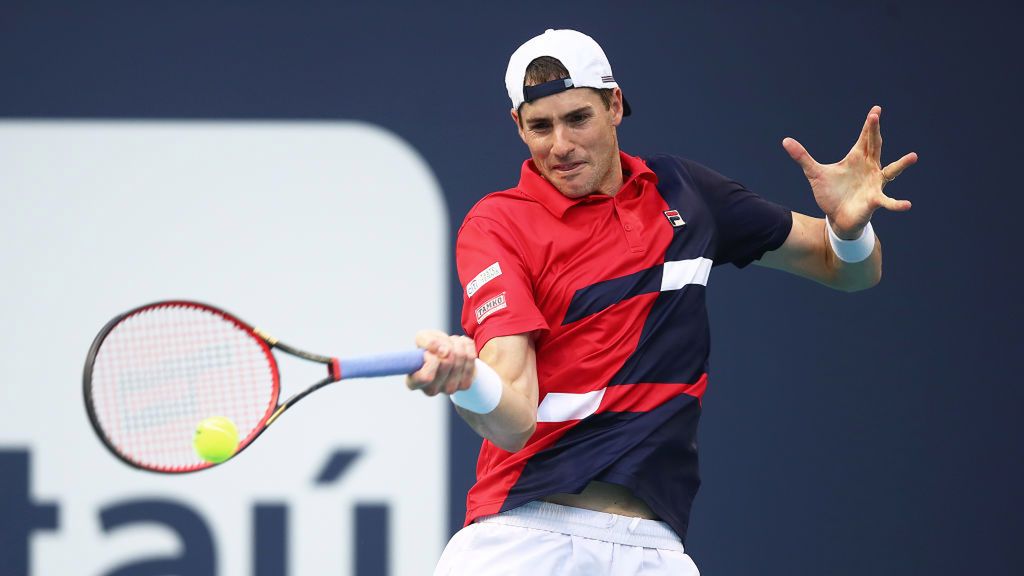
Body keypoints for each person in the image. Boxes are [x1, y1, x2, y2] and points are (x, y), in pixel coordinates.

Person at [407, 29, 917, 576]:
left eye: (577, 118)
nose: (561, 145)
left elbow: (849, 271)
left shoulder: (684, 192)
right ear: (518, 125)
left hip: (654, 549)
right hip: (525, 541)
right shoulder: (498, 224)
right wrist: (469, 382)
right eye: (540, 126)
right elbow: (514, 420)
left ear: (614, 105)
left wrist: (848, 229)